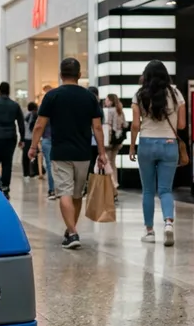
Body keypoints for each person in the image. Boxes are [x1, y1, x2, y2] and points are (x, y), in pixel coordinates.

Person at [29, 58, 106, 250]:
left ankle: (72, 233)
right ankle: (71, 229)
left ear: (60, 75)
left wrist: (32, 146)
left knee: (64, 191)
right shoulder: (89, 97)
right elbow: (97, 127)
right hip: (83, 153)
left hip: (60, 152)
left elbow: (39, 124)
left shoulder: (52, 96)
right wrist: (102, 153)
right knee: (77, 194)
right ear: (79, 75)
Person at [129, 60, 185, 246]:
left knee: (148, 190)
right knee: (165, 189)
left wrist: (131, 146)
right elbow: (182, 125)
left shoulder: (139, 95)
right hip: (169, 143)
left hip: (146, 143)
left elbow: (136, 124)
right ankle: (168, 222)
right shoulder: (176, 94)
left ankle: (150, 231)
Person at [104, 93, 126, 200]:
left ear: (111, 101)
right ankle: (114, 187)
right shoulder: (120, 110)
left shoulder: (109, 111)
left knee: (107, 164)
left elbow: (107, 125)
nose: (105, 102)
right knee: (113, 164)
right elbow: (125, 125)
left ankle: (113, 188)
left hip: (109, 141)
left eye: (107, 100)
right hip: (118, 141)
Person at [22, 101, 39, 181]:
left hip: (25, 138)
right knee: (34, 156)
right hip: (32, 138)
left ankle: (26, 173)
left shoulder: (25, 114)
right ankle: (34, 172)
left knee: (25, 157)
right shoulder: (34, 115)